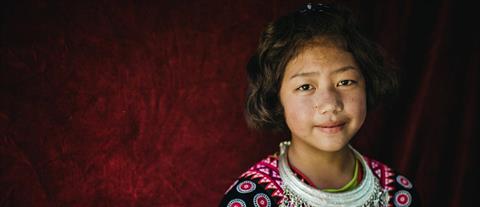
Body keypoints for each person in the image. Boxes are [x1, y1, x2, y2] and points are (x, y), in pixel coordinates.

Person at [220, 2, 420, 207]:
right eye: (306, 86)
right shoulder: (250, 199)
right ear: (276, 97)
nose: (330, 104)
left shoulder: (397, 194)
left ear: (367, 85)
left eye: (345, 82)